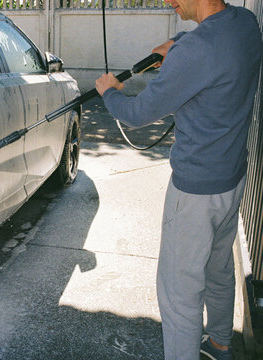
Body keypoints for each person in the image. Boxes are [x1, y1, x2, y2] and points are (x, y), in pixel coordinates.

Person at [95, 1, 262, 359]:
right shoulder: (245, 24)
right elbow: (210, 43)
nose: (169, 1)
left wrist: (109, 91)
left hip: (194, 194)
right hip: (231, 180)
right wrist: (177, 43)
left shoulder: (197, 51)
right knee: (218, 270)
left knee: (180, 294)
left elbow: (137, 113)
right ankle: (219, 343)